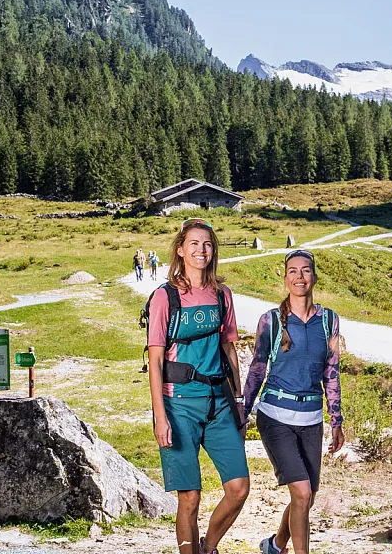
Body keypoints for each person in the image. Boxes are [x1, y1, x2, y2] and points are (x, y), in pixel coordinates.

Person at [145, 219, 249, 554]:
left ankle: (208, 546)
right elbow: (156, 361)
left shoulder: (223, 295)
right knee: (189, 498)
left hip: (219, 403)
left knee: (239, 488)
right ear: (180, 249)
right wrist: (160, 417)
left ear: (213, 250)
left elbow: (229, 349)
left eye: (206, 244)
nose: (200, 250)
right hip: (178, 406)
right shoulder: (165, 297)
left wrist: (239, 399)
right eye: (193, 244)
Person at [241, 250, 343, 554]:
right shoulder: (270, 320)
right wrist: (243, 412)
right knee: (300, 493)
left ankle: (274, 545)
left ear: (314, 276)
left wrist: (336, 420)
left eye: (306, 271)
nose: (299, 277)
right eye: (293, 271)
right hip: (275, 417)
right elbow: (257, 368)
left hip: (311, 420)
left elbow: (332, 372)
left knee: (308, 495)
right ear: (285, 278)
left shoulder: (330, 321)